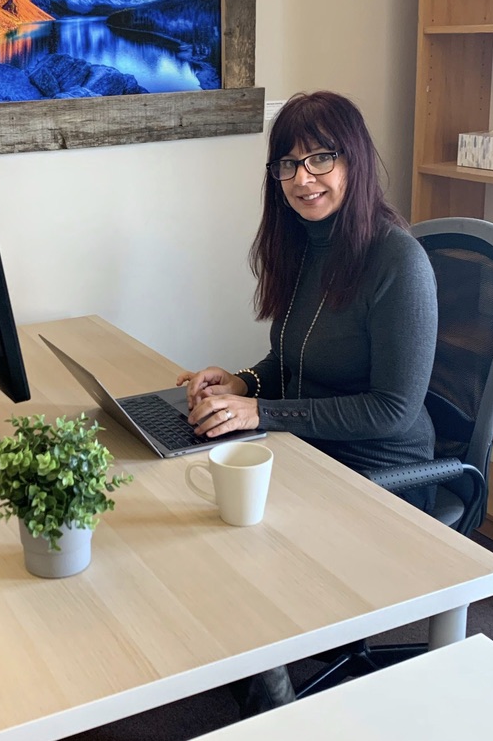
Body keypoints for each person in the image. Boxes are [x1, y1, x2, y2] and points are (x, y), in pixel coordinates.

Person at [177, 90, 438, 717]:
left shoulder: (399, 261)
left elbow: (393, 409)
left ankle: (279, 702)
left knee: (241, 527)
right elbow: (296, 362)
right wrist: (241, 383)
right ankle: (252, 648)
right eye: (288, 164)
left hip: (385, 470)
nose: (304, 178)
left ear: (355, 163)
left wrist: (262, 415)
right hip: (314, 449)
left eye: (321, 158)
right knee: (202, 489)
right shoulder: (303, 246)